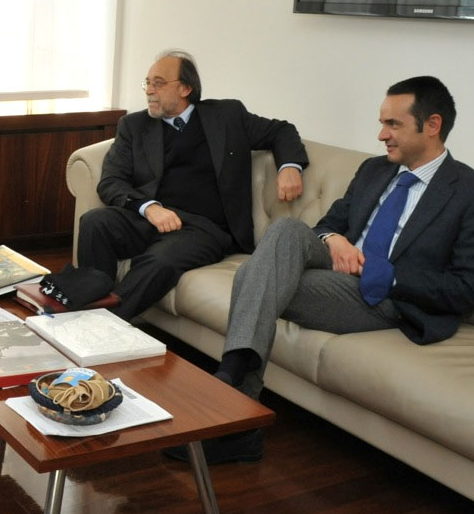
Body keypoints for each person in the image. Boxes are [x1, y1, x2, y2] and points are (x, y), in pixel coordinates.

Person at [177, 76, 474, 465]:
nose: (382, 134)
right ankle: (236, 400)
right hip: (335, 270)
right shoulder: (374, 170)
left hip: (386, 298)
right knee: (285, 229)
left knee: (254, 277)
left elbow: (469, 287)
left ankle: (232, 399)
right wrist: (334, 240)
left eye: (393, 125)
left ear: (432, 125)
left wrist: (390, 276)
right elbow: (326, 225)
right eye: (382, 123)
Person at [76, 49, 308, 319]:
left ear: (186, 88)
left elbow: (281, 130)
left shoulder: (227, 116)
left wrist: (289, 167)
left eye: (158, 83)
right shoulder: (134, 125)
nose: (149, 90)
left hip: (204, 229)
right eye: (147, 83)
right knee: (95, 222)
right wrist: (149, 208)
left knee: (160, 261)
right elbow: (111, 181)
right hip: (151, 218)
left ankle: (100, 323)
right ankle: (87, 299)